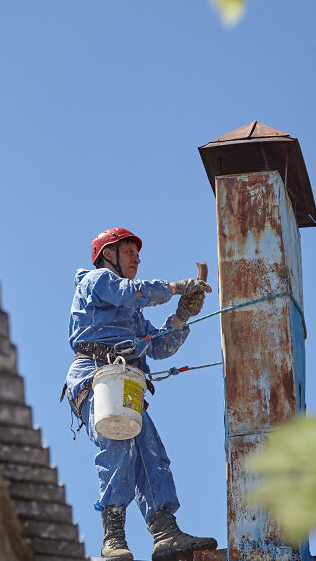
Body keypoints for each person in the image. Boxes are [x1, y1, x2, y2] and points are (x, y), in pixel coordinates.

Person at [64, 227, 218, 561]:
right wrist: (176, 288)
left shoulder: (132, 315)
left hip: (125, 382)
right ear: (108, 254)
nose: (137, 258)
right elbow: (130, 292)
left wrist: (182, 315)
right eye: (129, 251)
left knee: (151, 453)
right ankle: (113, 537)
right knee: (117, 444)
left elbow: (160, 347)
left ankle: (165, 532)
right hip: (96, 376)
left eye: (138, 253)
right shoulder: (96, 282)